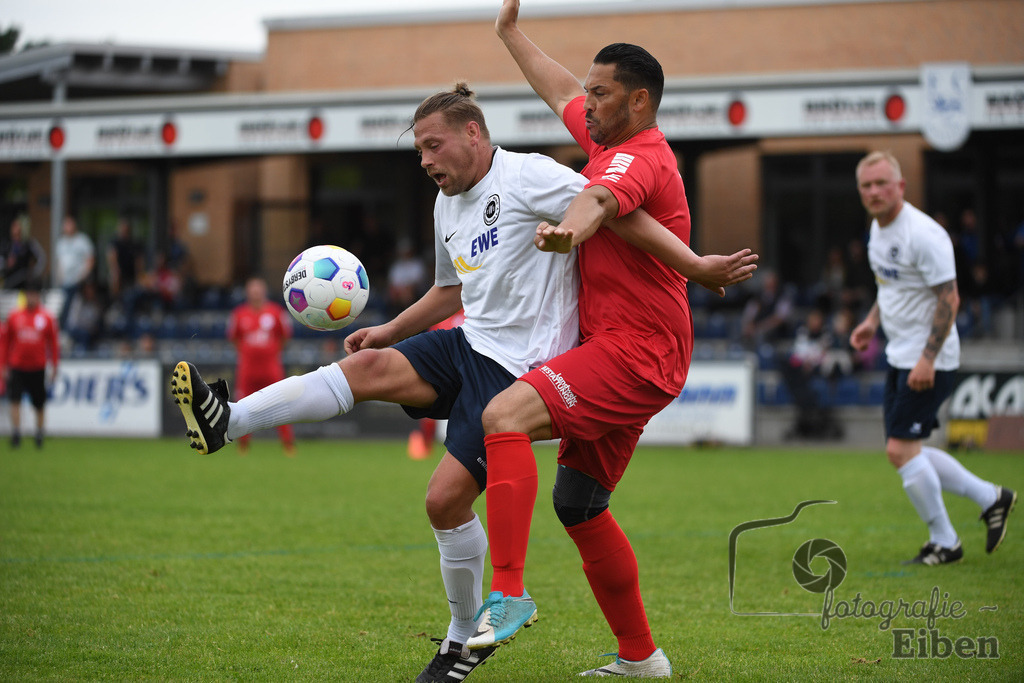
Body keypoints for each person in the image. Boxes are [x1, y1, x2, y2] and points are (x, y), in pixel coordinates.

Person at [170, 84, 755, 682]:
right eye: (419, 151)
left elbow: (612, 211)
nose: (425, 162)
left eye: (433, 146)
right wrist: (390, 329)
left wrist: (691, 264)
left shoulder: (529, 176)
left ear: (473, 133)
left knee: (442, 500)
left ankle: (461, 644)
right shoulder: (446, 204)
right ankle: (229, 420)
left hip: (519, 368)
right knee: (368, 367)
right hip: (469, 341)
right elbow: (451, 289)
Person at [473, 3, 729, 675]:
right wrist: (509, 35)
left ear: (637, 102)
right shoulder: (604, 141)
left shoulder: (639, 158)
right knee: (578, 503)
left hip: (637, 351)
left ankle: (506, 592)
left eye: (601, 93)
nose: (584, 103)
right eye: (589, 91)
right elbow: (556, 86)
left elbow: (598, 202)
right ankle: (642, 658)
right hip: (633, 351)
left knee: (501, 414)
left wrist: (569, 230)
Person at [849, 150, 1015, 566]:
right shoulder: (877, 229)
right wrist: (871, 321)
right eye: (866, 186)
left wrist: (927, 358)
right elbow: (890, 287)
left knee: (899, 450)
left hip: (929, 360)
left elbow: (950, 297)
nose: (873, 192)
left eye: (881, 183)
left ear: (900, 186)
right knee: (908, 449)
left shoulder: (923, 234)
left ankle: (946, 541)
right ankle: (990, 497)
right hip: (899, 354)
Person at [227, 277, 296, 457]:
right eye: (252, 290)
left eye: (258, 290)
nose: (255, 293)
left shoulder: (276, 312)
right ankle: (243, 446)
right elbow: (234, 338)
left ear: (264, 292)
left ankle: (288, 445)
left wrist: (270, 352)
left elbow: (284, 336)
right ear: (248, 293)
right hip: (247, 369)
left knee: (280, 405)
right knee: (243, 407)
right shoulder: (239, 314)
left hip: (271, 368)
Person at [1, 280, 60, 448]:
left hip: (38, 366)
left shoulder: (47, 318)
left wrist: (55, 365)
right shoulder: (14, 316)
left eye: (34, 294)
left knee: (39, 403)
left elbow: (54, 344)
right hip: (17, 365)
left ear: (39, 296)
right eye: (28, 294)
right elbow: (6, 343)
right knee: (15, 400)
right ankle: (16, 433)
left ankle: (39, 433)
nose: (31, 297)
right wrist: (3, 365)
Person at [54, 216, 96, 329]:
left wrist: (82, 277)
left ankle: (70, 331)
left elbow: (90, 260)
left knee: (74, 309)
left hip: (78, 282)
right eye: (65, 225)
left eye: (69, 224)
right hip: (65, 282)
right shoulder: (61, 243)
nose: (67, 227)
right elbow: (59, 263)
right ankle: (64, 330)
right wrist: (60, 278)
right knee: (64, 306)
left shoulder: (82, 240)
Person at [2, 216, 46, 292]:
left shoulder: (29, 244)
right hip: (9, 284)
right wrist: (6, 264)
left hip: (24, 285)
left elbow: (42, 258)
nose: (16, 229)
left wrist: (33, 273)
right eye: (14, 226)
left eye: (19, 226)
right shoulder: (6, 244)